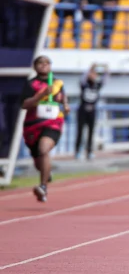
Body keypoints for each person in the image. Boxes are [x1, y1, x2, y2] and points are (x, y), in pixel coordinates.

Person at [20, 56, 70, 202]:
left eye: (46, 63)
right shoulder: (30, 84)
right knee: (38, 161)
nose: (43, 66)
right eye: (40, 63)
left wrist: (66, 106)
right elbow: (24, 104)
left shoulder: (57, 83)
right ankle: (46, 173)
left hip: (53, 122)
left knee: (44, 149)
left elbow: (64, 98)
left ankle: (43, 187)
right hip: (33, 124)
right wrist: (40, 95)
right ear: (35, 67)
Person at [75, 63, 109, 161]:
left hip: (92, 110)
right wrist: (90, 68)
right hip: (82, 110)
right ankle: (78, 151)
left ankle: (89, 151)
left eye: (95, 75)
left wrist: (106, 70)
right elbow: (83, 78)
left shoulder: (97, 85)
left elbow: (105, 79)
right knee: (80, 132)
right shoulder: (84, 84)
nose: (93, 76)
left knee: (91, 132)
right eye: (92, 74)